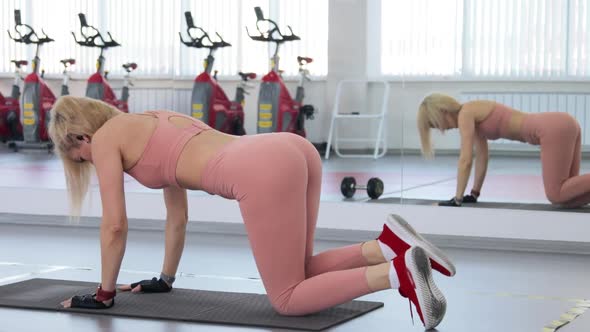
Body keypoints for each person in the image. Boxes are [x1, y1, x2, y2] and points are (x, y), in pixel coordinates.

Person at [50, 96, 455, 329]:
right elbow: (177, 216)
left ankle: (398, 273)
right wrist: (165, 279)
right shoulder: (151, 119)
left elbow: (114, 225)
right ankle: (388, 246)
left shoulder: (104, 140)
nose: (88, 161)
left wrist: (104, 295)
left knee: (287, 299)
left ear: (81, 137)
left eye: (79, 158)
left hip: (262, 168)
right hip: (291, 148)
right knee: (304, 271)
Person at [417, 93, 590, 208]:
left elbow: (465, 159)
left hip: (552, 129)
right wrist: (474, 194)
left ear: (442, 111)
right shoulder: (472, 114)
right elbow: (482, 157)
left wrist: (457, 199)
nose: (440, 130)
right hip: (564, 123)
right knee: (570, 199)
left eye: (435, 124)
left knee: (556, 194)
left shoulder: (465, 114)